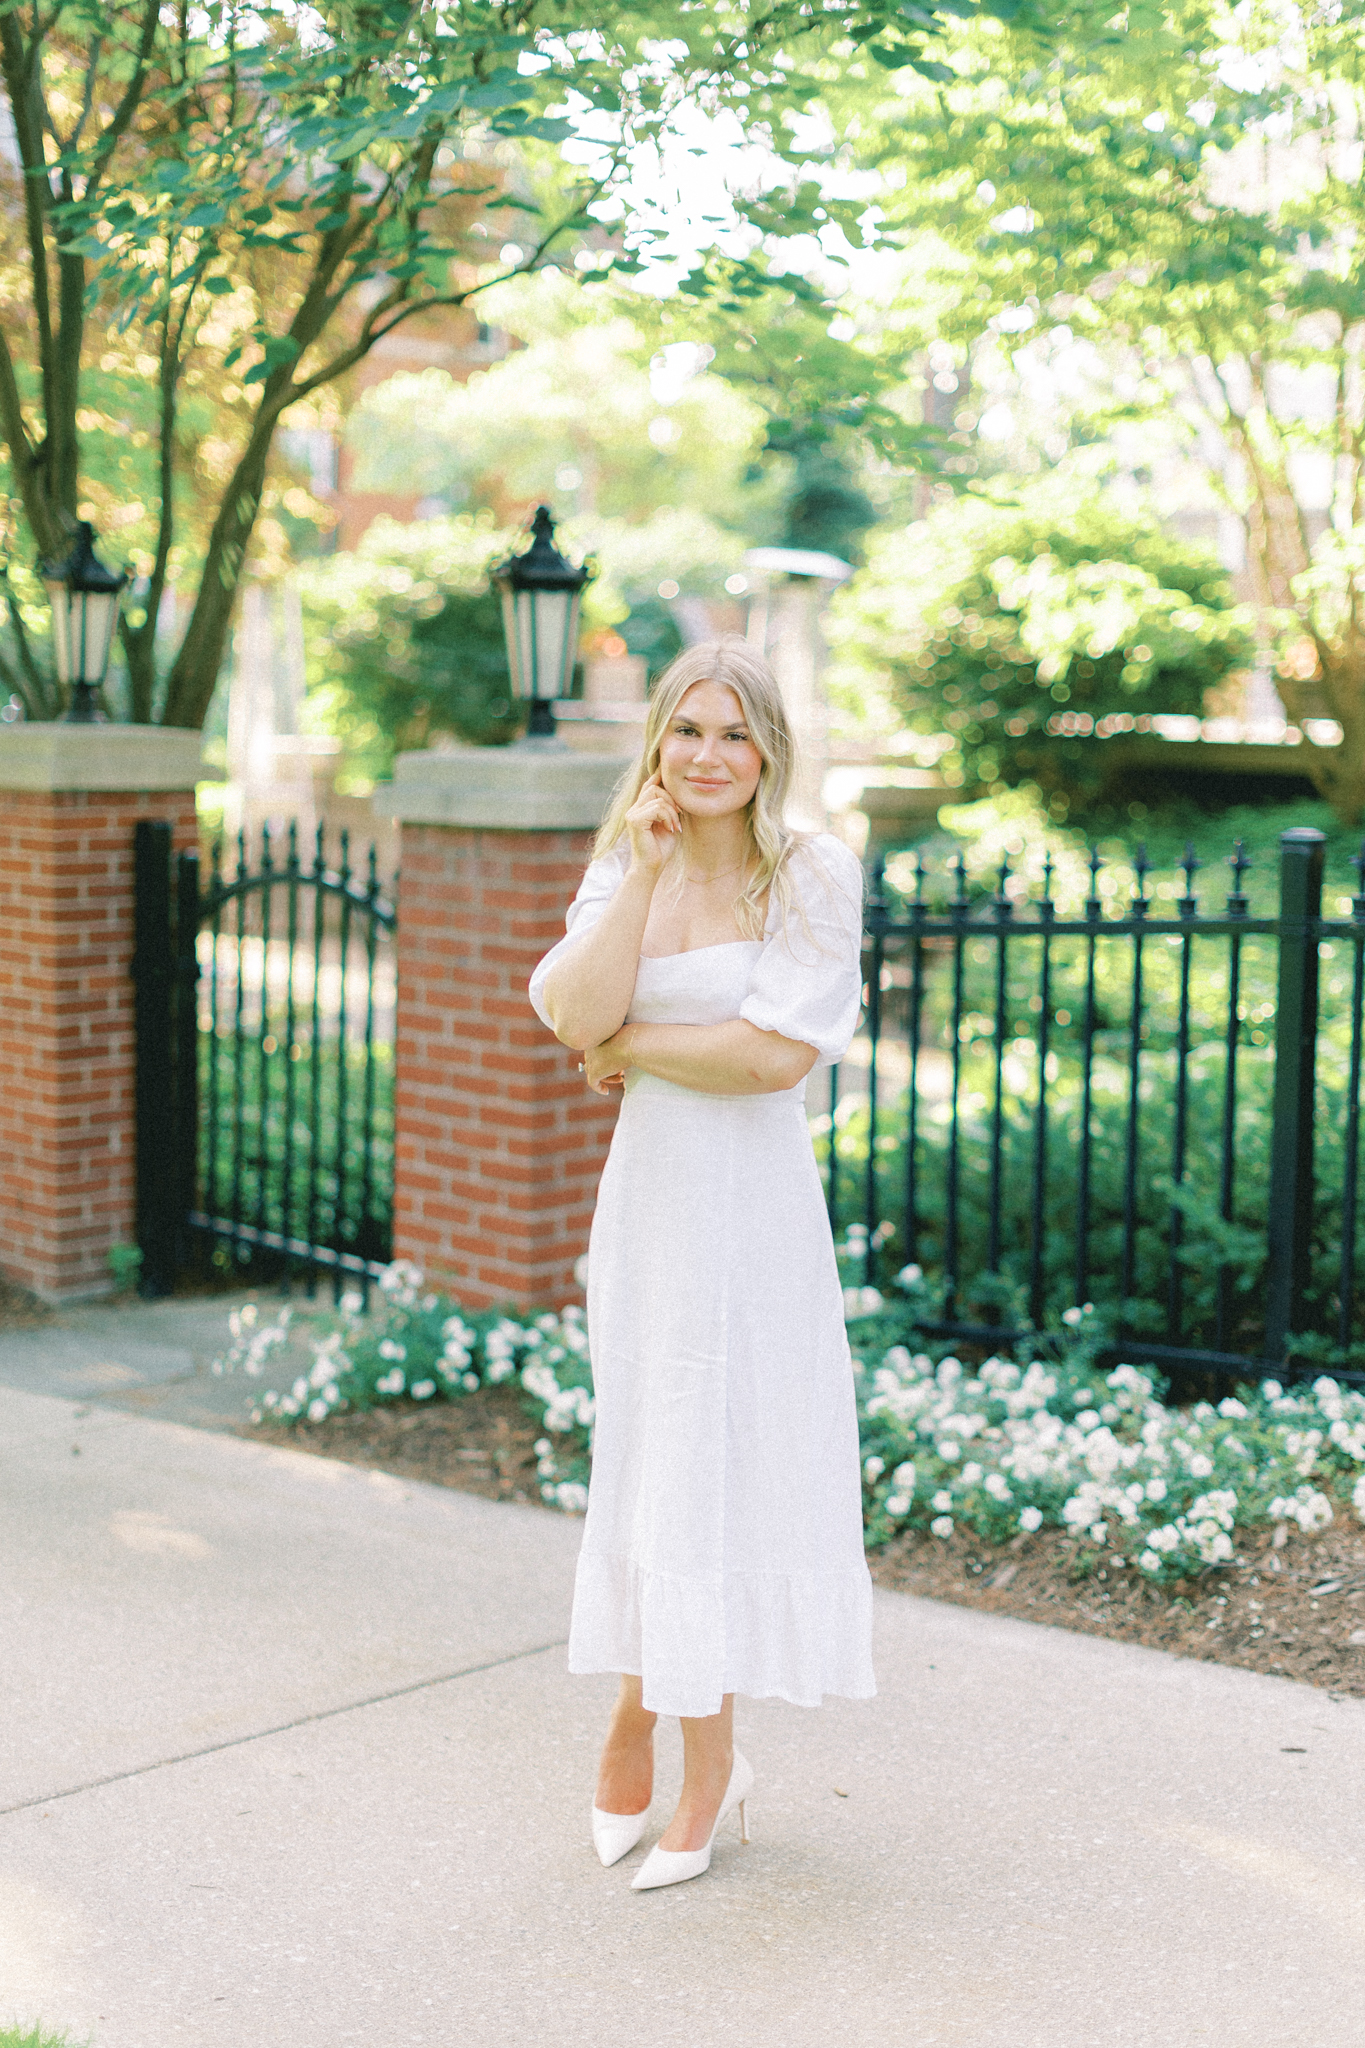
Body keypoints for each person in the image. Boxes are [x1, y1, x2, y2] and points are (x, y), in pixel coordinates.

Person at [528, 638, 874, 1892]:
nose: (710, 756)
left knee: (717, 1474)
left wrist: (633, 1037)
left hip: (755, 1216)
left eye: (735, 734)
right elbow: (566, 1009)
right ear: (659, 742)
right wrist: (643, 882)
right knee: (650, 1462)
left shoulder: (814, 872)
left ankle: (708, 1758)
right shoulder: (632, 857)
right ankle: (636, 1707)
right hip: (651, 1211)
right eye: (688, 731)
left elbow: (776, 1057)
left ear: (770, 748)